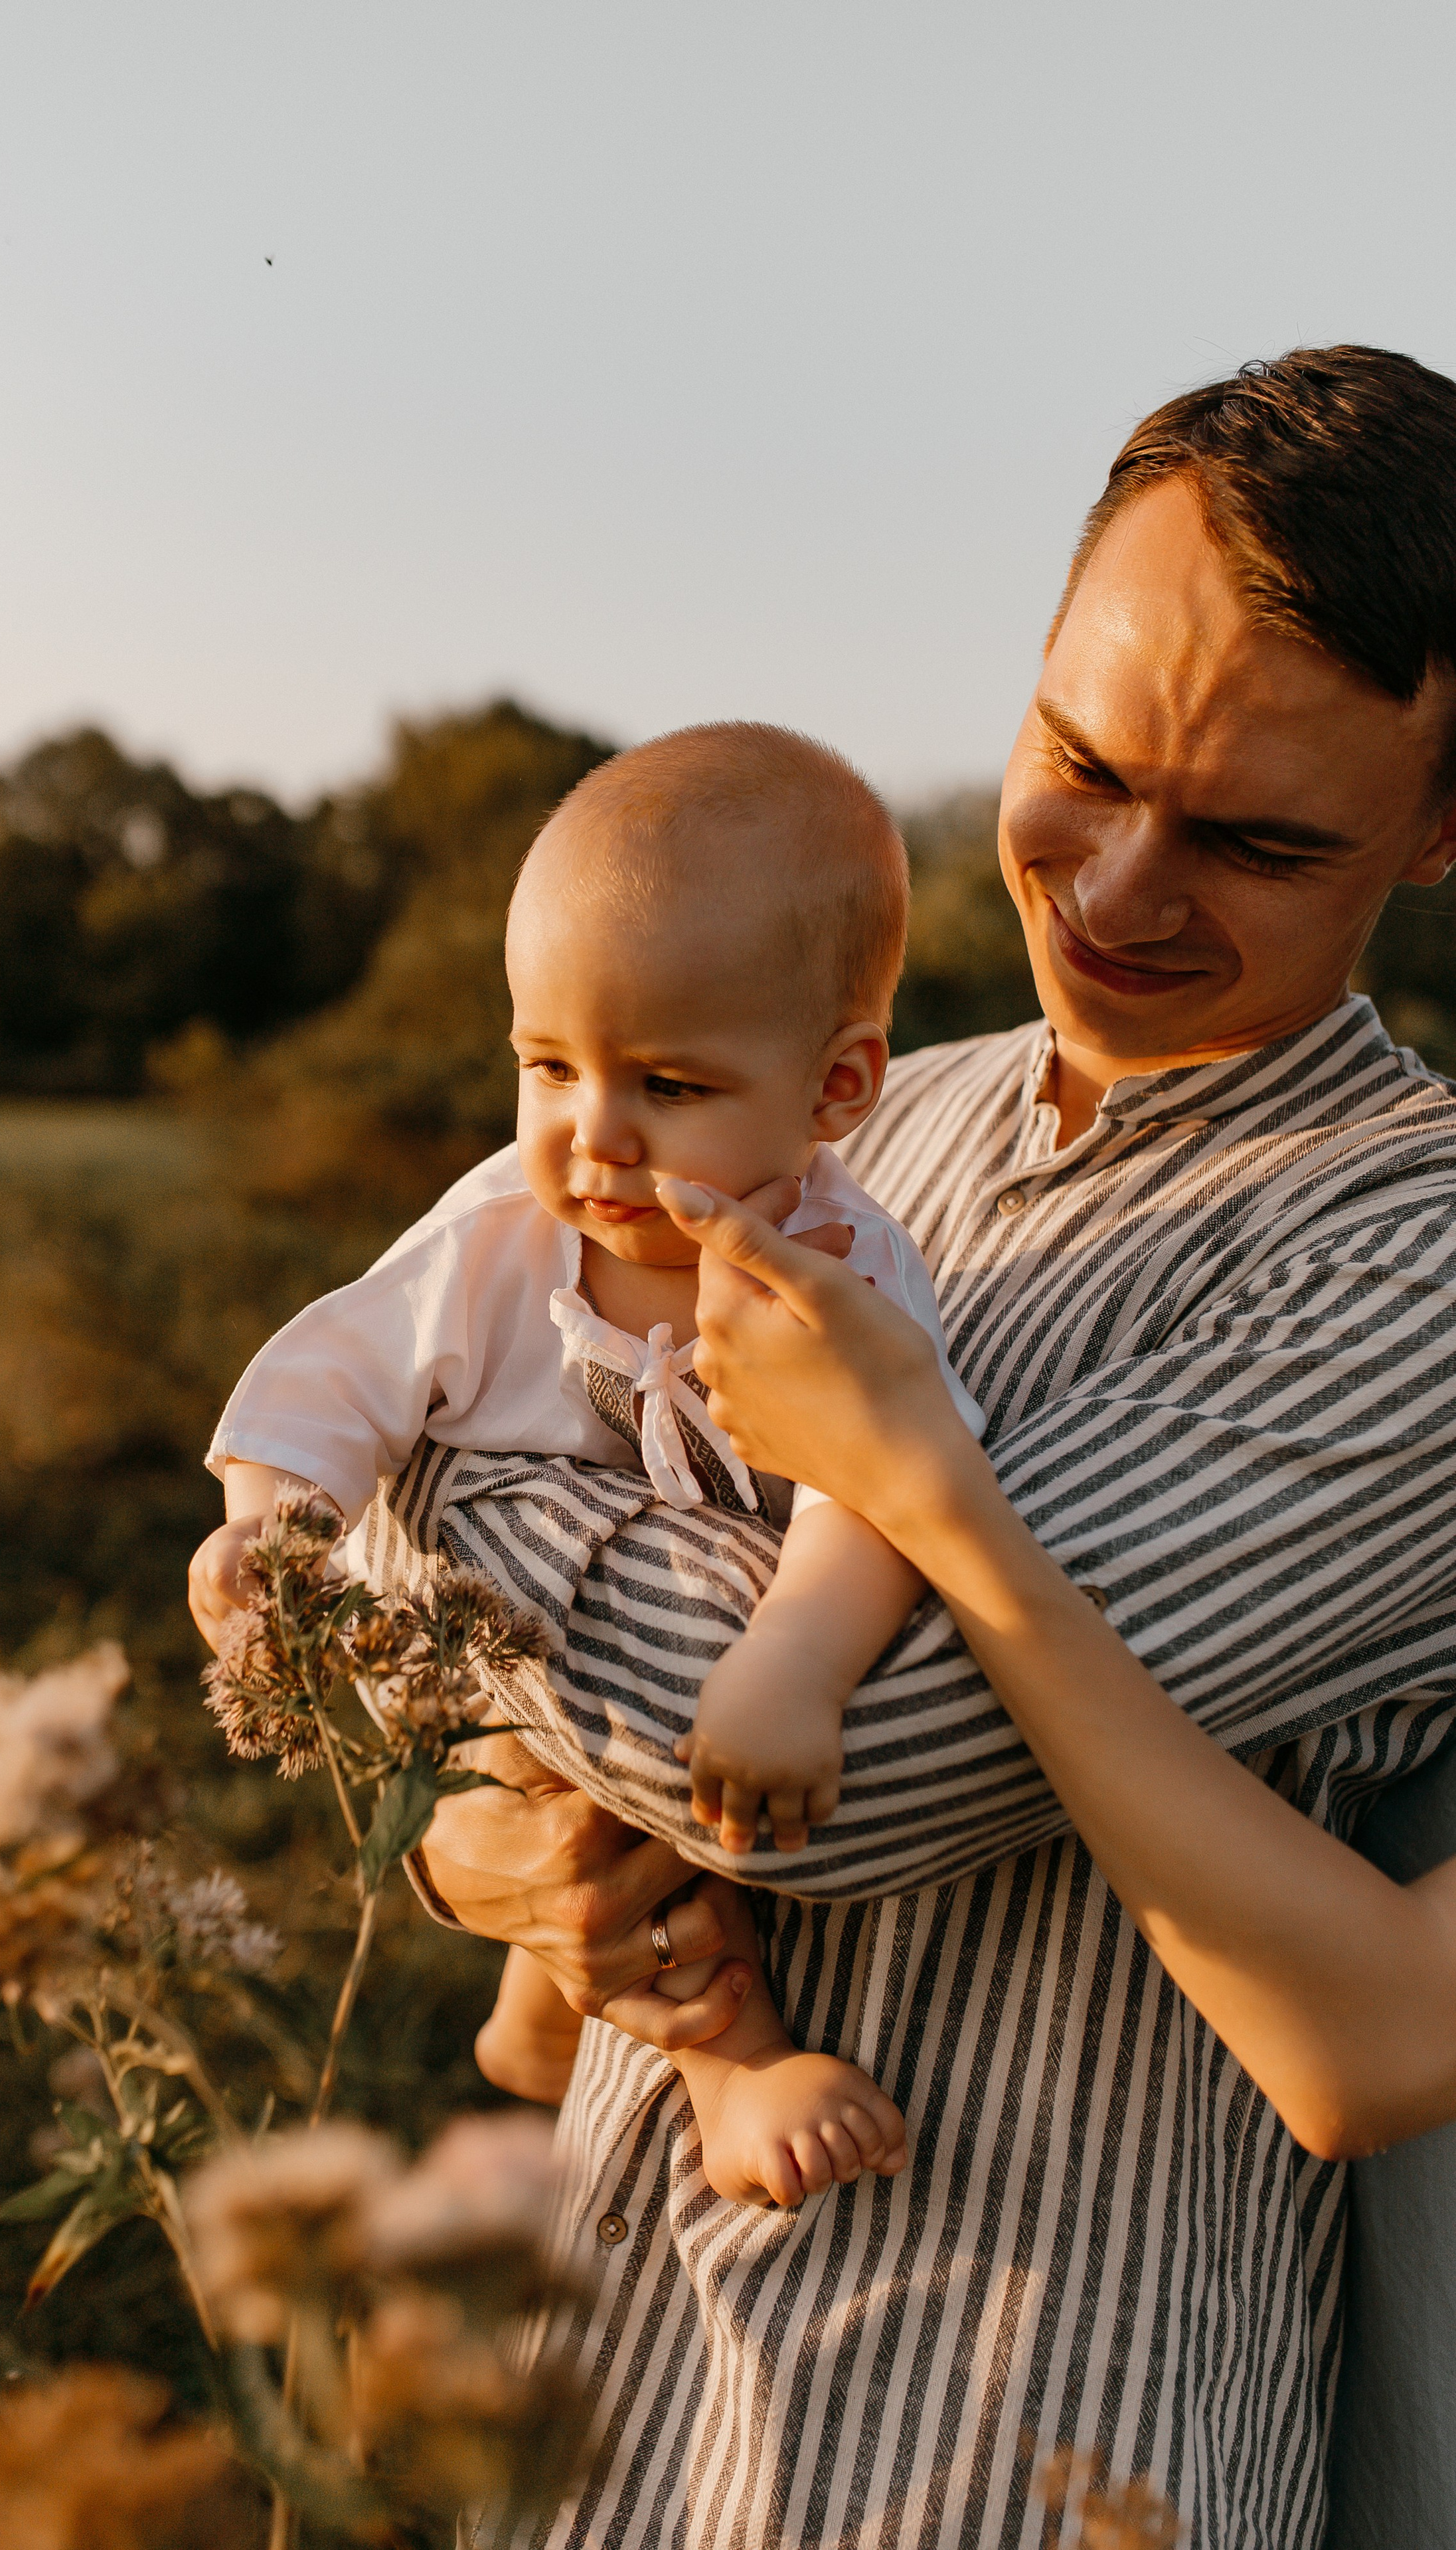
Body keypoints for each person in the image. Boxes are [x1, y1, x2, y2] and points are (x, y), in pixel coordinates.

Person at [324, 346, 1456, 2549]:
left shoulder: (1406, 1257)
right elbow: (576, 1742)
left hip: (1016, 2443)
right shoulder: (846, 1110)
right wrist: (498, 1861)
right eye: (1080, 764)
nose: (1120, 890)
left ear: (1440, 827)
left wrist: (397, 1463)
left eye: (1253, 838)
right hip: (608, 2408)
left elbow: (869, 1764)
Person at [191, 722, 1000, 2205]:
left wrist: (798, 1665)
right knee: (578, 1802)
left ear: (834, 1091)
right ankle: (732, 2063)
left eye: (667, 1088)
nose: (589, 1137)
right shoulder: (500, 1232)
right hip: (521, 1693)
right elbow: (338, 1375)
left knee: (701, 1754)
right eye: (546, 1065)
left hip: (688, 1646)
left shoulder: (841, 1275)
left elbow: (880, 1490)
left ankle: (546, 2016)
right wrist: (269, 1523)